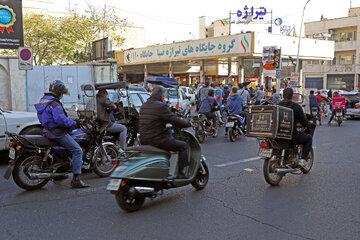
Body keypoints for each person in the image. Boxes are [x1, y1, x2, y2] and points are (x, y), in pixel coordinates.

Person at [35, 80, 89, 188]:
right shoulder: (54, 103)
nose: (62, 95)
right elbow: (60, 119)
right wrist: (74, 123)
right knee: (77, 150)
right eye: (61, 93)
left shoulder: (44, 100)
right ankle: (76, 180)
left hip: (47, 130)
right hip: (57, 132)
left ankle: (60, 171)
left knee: (65, 148)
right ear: (58, 91)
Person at [139, 86, 191, 179]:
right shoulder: (160, 106)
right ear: (162, 96)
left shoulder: (145, 105)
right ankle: (181, 173)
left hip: (143, 139)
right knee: (183, 146)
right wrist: (187, 123)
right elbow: (174, 120)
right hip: (157, 139)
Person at [278, 88, 313, 170]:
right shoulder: (296, 107)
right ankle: (303, 160)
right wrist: (308, 124)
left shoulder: (277, 105)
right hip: (290, 136)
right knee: (308, 138)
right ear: (292, 96)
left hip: (278, 135)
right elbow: (303, 121)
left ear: (283, 95)